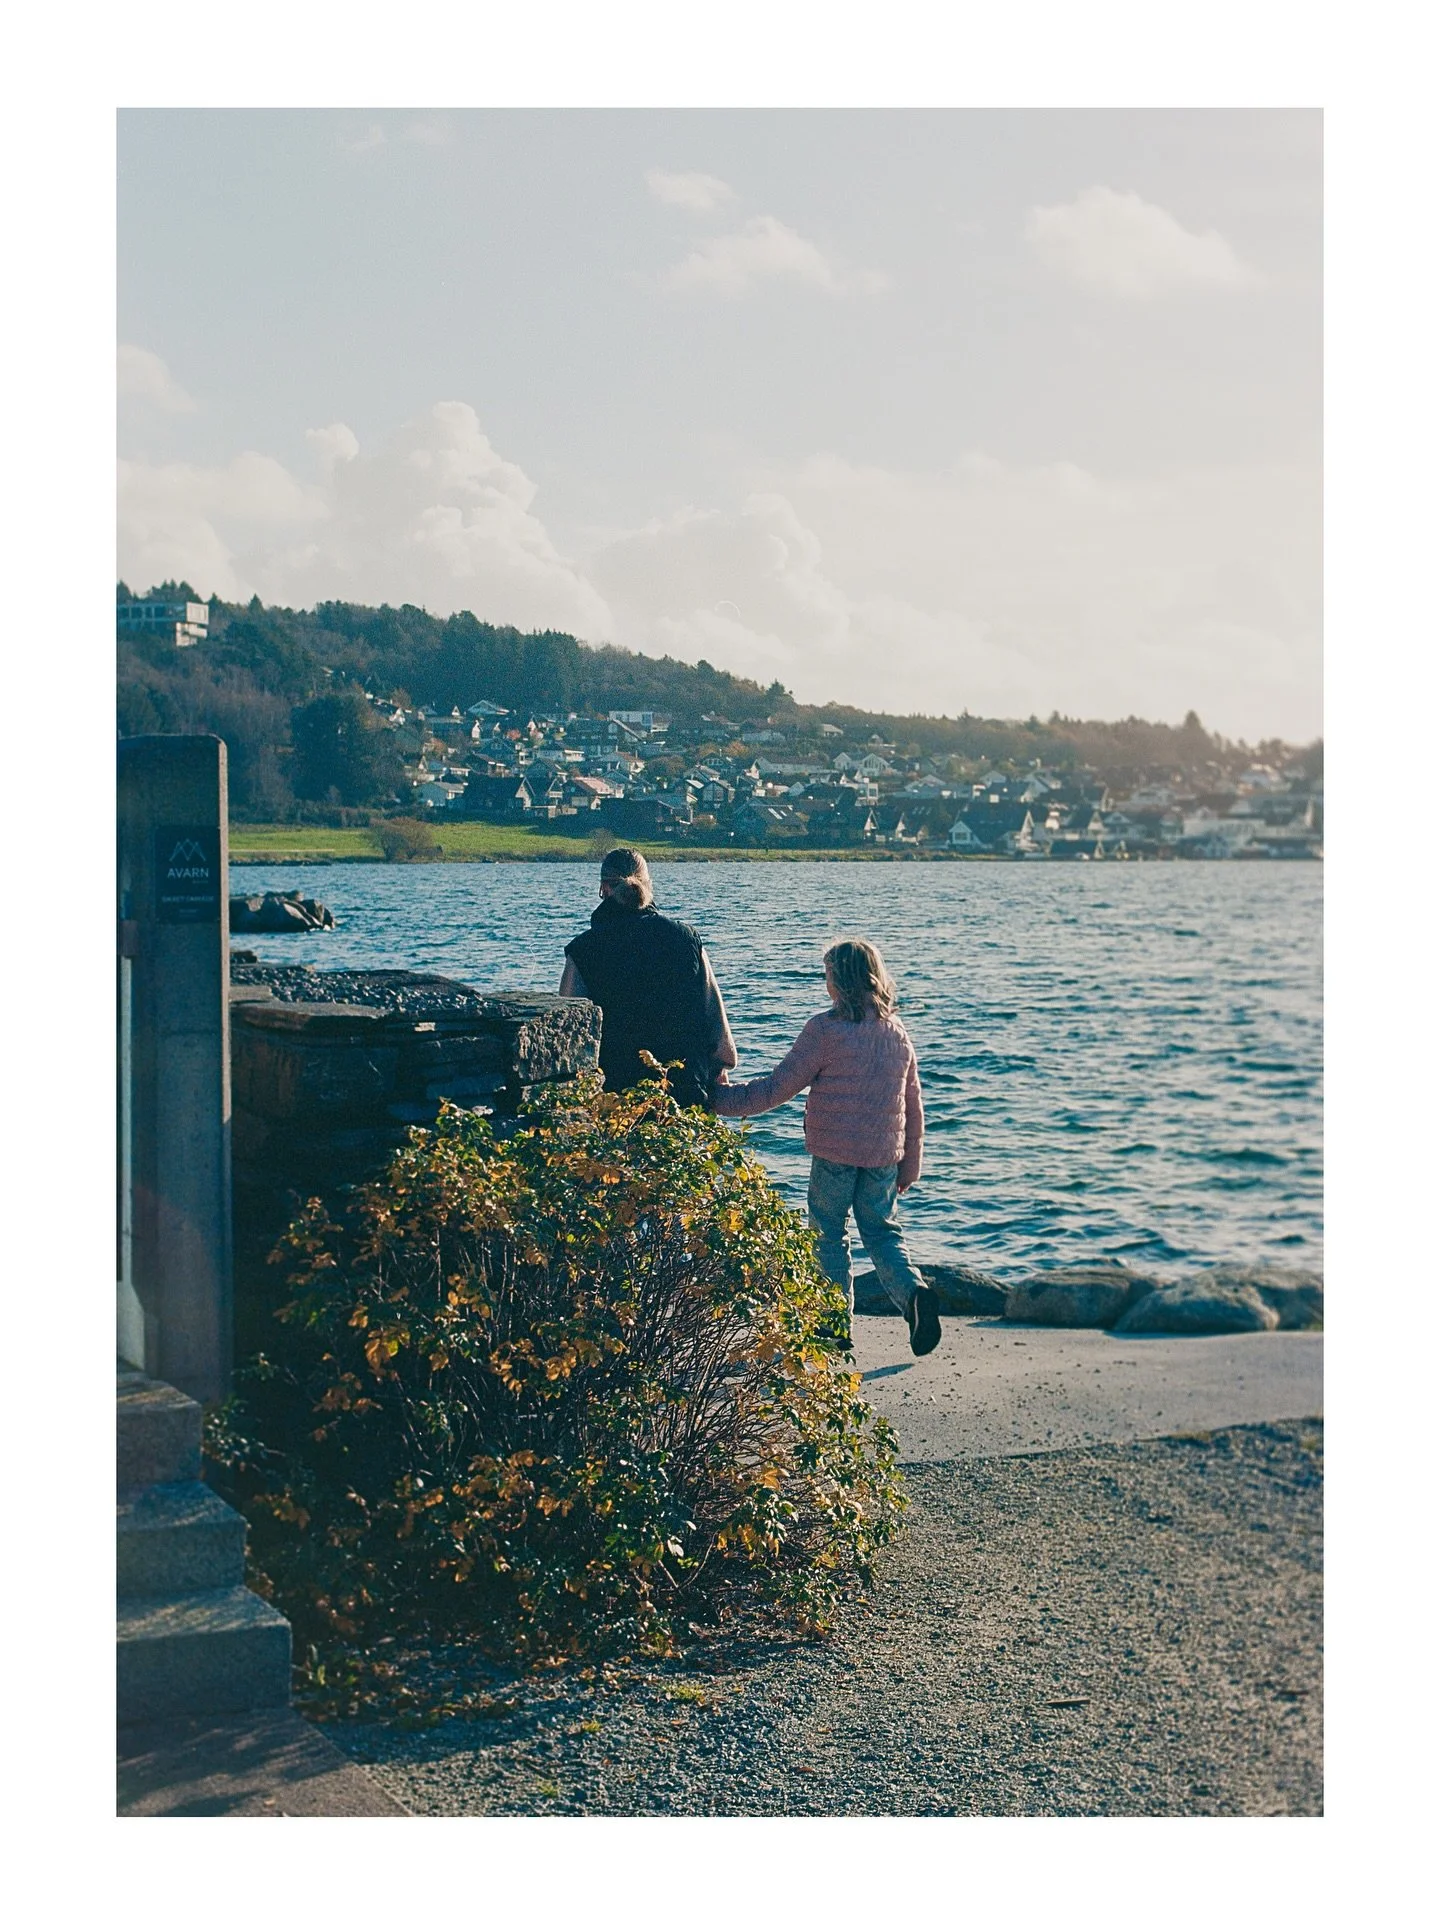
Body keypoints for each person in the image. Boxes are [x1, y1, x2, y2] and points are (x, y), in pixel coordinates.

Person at [711, 937, 941, 1357]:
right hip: (883, 1157)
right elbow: (914, 1104)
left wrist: (718, 1100)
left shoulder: (825, 1030)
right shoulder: (897, 1032)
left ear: (840, 982)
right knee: (883, 1233)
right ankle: (913, 1295)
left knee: (828, 1235)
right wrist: (912, 1165)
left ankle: (835, 1326)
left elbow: (777, 1088)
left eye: (828, 976)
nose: (825, 984)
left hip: (834, 1154)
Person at [559, 846, 738, 1107]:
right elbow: (713, 1013)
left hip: (615, 1093)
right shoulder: (686, 939)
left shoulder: (583, 950)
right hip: (684, 1088)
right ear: (648, 884)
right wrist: (721, 1064)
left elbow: (569, 1029)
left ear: (603, 889)